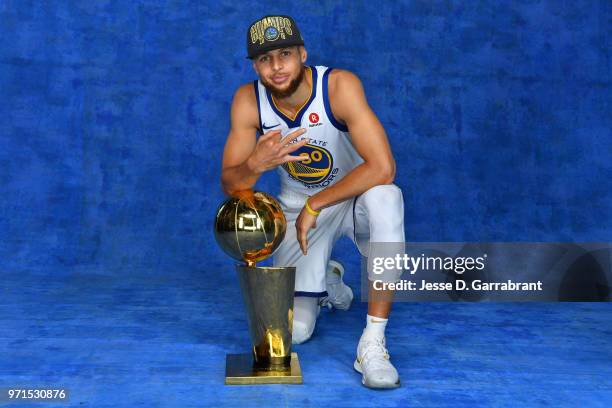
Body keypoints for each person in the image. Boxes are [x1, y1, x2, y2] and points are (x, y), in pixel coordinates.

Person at [220, 15, 405, 389]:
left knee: (388, 198)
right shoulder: (248, 100)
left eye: (285, 54)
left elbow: (383, 167)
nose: (276, 67)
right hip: (296, 208)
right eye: (264, 59)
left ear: (302, 53)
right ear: (255, 65)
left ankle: (372, 342)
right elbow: (230, 183)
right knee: (298, 332)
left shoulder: (338, 86)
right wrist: (256, 163)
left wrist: (315, 204)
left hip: (354, 198)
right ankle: (328, 279)